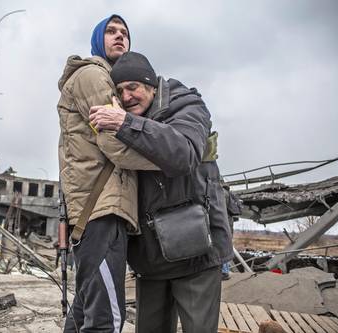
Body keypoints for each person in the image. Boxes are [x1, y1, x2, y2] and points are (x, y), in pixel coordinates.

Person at [89, 51, 233, 333]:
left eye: (133, 87)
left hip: (197, 254)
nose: (127, 96)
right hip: (150, 258)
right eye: (120, 91)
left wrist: (124, 123)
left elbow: (183, 154)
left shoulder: (186, 104)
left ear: (152, 86)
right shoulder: (122, 118)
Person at [57, 16, 156, 332]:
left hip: (98, 209)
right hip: (101, 209)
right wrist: (167, 158)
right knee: (107, 319)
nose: (120, 37)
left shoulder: (108, 82)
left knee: (85, 313)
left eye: (125, 33)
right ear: (98, 39)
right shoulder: (94, 76)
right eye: (111, 32)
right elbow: (116, 143)